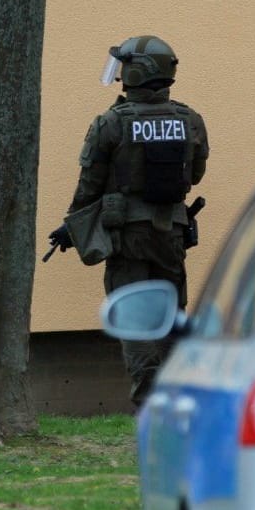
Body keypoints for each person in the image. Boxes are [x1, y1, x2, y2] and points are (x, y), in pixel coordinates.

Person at [49, 36, 209, 408]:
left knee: (135, 319)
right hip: (171, 234)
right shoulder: (190, 120)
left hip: (127, 237)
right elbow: (196, 174)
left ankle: (148, 401)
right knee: (171, 315)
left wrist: (72, 226)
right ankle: (176, 395)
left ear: (138, 71)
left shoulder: (110, 123)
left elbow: (88, 187)